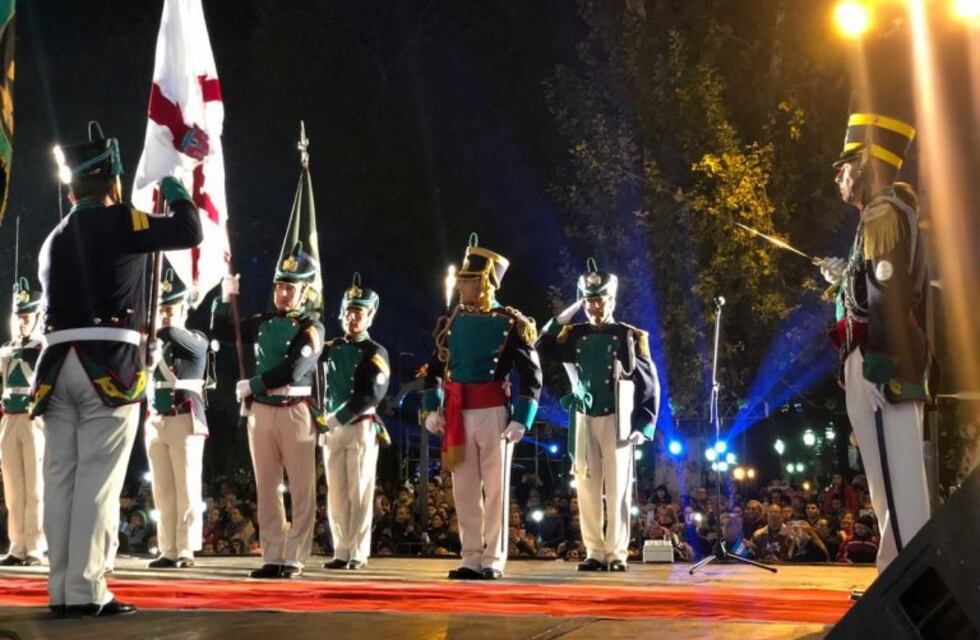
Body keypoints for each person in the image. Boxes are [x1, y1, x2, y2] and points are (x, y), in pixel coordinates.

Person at [35, 122, 202, 617]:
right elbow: (188, 231)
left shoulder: (54, 237)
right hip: (106, 363)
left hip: (55, 363)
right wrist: (175, 190)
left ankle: (61, 588)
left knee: (60, 478)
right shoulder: (123, 221)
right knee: (96, 481)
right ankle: (87, 591)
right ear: (112, 182)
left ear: (71, 189)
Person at [823, 109, 933, 574]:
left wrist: (880, 364)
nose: (838, 177)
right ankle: (897, 573)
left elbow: (888, 296)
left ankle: (913, 580)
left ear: (866, 163)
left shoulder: (883, 213)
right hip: (875, 356)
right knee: (885, 480)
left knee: (899, 477)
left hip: (882, 359)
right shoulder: (881, 214)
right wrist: (842, 275)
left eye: (844, 166)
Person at [422, 233, 542, 580]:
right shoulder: (452, 322)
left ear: (485, 283)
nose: (460, 286)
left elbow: (531, 376)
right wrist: (432, 407)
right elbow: (434, 367)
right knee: (464, 490)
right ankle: (470, 556)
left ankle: (493, 558)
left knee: (495, 490)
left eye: (468, 280)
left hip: (493, 412)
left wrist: (522, 418)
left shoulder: (510, 323)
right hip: (458, 412)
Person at [535, 258, 660, 572]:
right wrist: (569, 310)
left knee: (617, 488)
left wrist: (643, 425)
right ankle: (594, 551)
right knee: (587, 486)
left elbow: (648, 383)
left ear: (612, 301)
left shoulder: (628, 336)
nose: (594, 308)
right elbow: (541, 345)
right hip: (583, 416)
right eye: (589, 302)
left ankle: (616, 552)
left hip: (617, 418)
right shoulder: (574, 334)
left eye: (599, 301)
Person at [212, 241, 325, 579]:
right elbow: (223, 331)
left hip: (294, 410)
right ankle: (272, 554)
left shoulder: (312, 328)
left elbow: (294, 369)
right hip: (263, 412)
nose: (283, 294)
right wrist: (224, 298)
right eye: (280, 286)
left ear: (304, 292)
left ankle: (296, 555)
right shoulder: (262, 322)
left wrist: (254, 385)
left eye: (290, 288)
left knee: (302, 488)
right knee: (266, 486)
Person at [319, 274, 390, 570]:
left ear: (370, 316)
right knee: (336, 492)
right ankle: (341, 549)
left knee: (359, 491)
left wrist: (336, 418)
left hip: (358, 425)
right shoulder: (330, 347)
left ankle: (358, 551)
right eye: (348, 311)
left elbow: (371, 394)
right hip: (330, 427)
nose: (352, 317)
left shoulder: (375, 352)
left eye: (358, 312)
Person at [145, 269, 210, 569]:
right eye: (162, 309)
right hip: (157, 418)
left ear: (184, 309)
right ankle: (168, 548)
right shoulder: (153, 344)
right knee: (163, 490)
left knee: (186, 488)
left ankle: (186, 548)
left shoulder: (195, 339)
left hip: (185, 418)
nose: (166, 314)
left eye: (171, 308)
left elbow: (171, 333)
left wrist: (153, 325)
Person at [0, 278, 46, 566]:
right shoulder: (7, 347)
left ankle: (35, 546)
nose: (22, 322)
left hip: (33, 418)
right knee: (13, 487)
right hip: (9, 417)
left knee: (35, 486)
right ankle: (17, 545)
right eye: (19, 316)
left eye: (27, 316)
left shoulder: (41, 346)